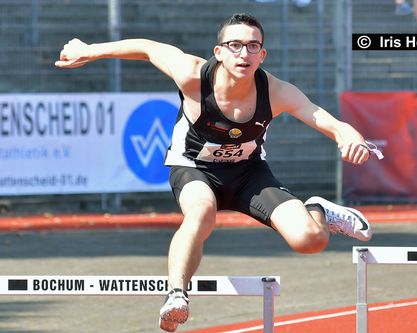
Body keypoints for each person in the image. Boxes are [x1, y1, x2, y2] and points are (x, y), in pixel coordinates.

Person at [55, 13, 376, 332]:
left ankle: (317, 209)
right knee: (201, 213)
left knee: (310, 241)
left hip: (249, 174)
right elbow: (148, 47)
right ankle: (177, 295)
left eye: (253, 47)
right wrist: (90, 49)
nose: (244, 54)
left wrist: (349, 135)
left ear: (262, 55)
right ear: (218, 52)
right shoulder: (192, 75)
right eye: (235, 45)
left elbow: (323, 117)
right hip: (194, 168)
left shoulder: (276, 91)